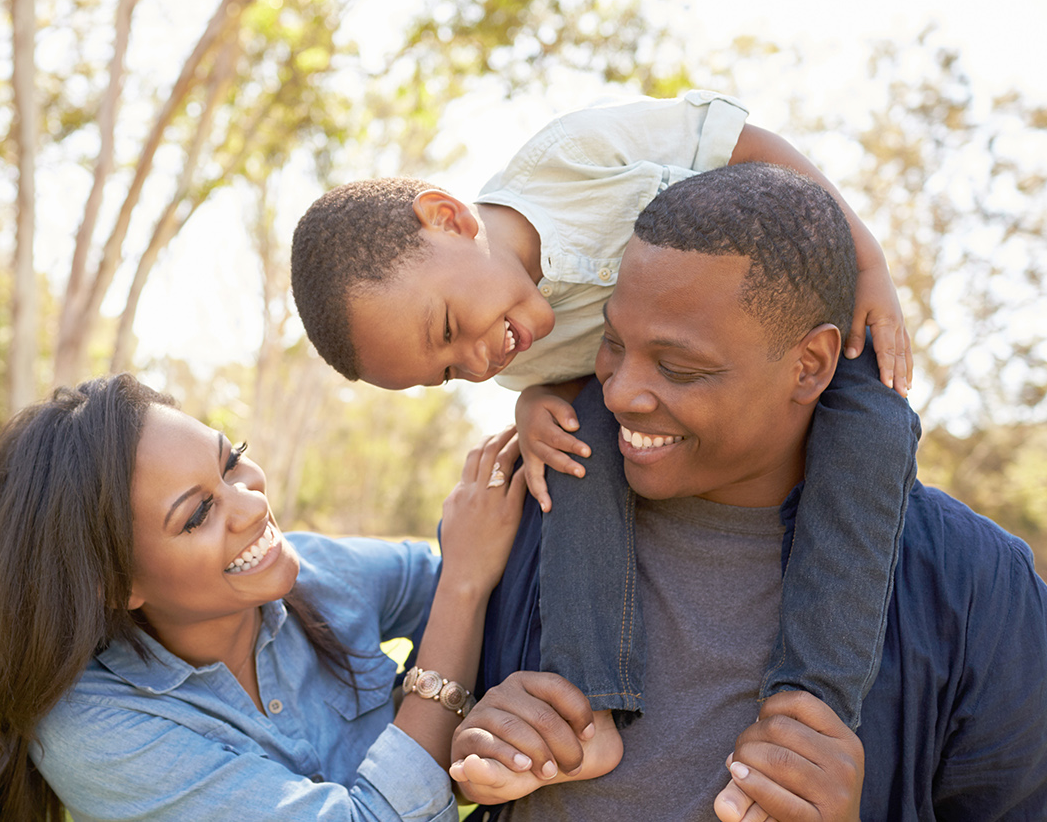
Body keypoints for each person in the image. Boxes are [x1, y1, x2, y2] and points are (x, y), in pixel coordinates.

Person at [289, 92, 918, 763]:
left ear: (446, 218)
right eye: (447, 370)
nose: (476, 361)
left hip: (785, 329)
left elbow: (748, 146)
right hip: (654, 395)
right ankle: (586, 707)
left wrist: (868, 261)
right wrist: (533, 403)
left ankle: (812, 706)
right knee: (572, 453)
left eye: (447, 328)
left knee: (877, 425)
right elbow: (578, 376)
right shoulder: (512, 350)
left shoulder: (572, 158)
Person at [447, 162, 1047, 820]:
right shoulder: (529, 509)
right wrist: (472, 752)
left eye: (680, 367)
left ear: (812, 364)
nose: (620, 392)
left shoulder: (972, 587)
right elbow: (412, 747)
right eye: (613, 342)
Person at [0, 373, 561, 822]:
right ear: (114, 584)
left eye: (232, 461)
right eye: (197, 515)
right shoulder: (97, 729)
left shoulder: (315, 573)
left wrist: (541, 403)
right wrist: (462, 590)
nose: (252, 503)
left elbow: (504, 592)